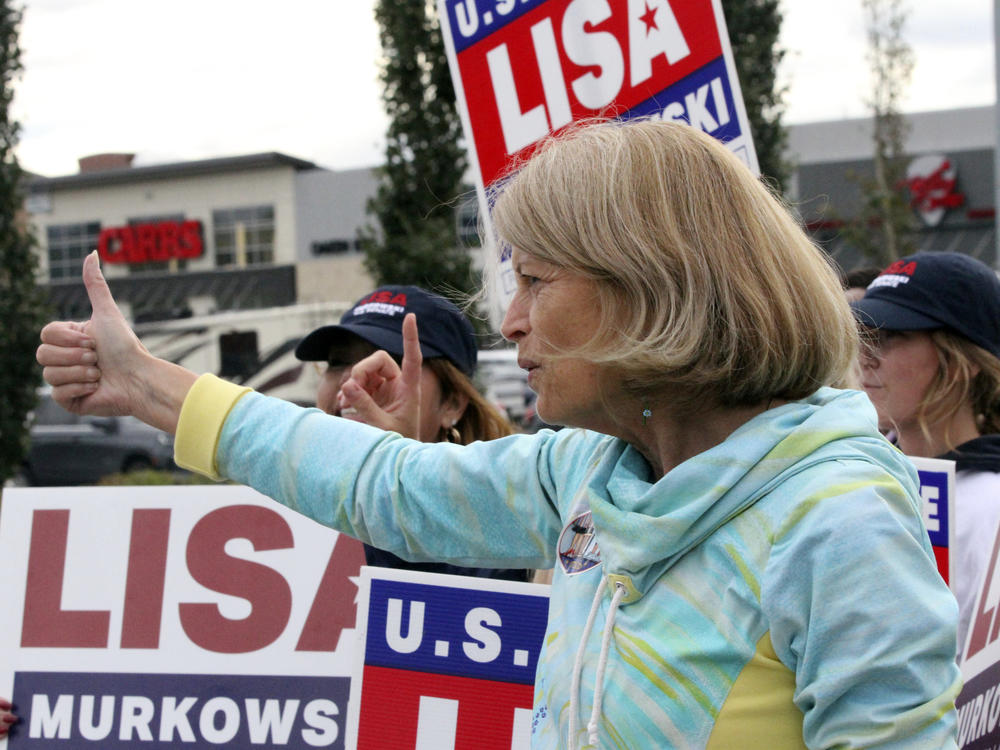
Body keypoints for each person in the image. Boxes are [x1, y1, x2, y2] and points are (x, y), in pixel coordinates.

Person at [38, 119, 960, 749]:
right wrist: (148, 384)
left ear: (654, 288)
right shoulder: (590, 473)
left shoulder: (839, 522)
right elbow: (383, 485)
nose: (508, 322)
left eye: (536, 281)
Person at [294, 283, 530, 582]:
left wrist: (397, 486)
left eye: (388, 361)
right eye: (337, 361)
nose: (353, 378)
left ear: (452, 404)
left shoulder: (508, 540)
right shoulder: (280, 503)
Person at [853, 250, 1000, 653]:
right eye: (865, 334)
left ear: (961, 360)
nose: (865, 357)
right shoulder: (849, 478)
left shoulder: (991, 504)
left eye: (893, 336)